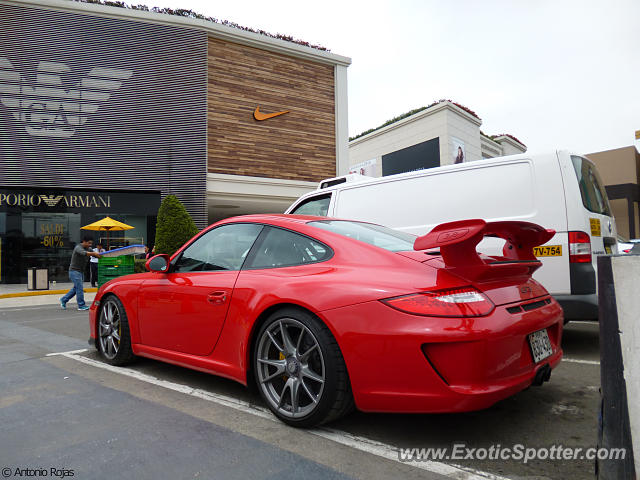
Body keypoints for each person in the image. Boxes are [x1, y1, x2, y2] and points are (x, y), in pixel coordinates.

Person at [60, 236, 102, 311]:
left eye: (91, 243)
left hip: (80, 271)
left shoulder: (89, 249)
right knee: (79, 288)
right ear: (84, 241)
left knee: (76, 288)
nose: (90, 245)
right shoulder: (78, 247)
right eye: (89, 243)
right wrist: (94, 253)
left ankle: (64, 299)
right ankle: (81, 305)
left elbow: (94, 254)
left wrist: (101, 255)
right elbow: (85, 253)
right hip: (74, 271)